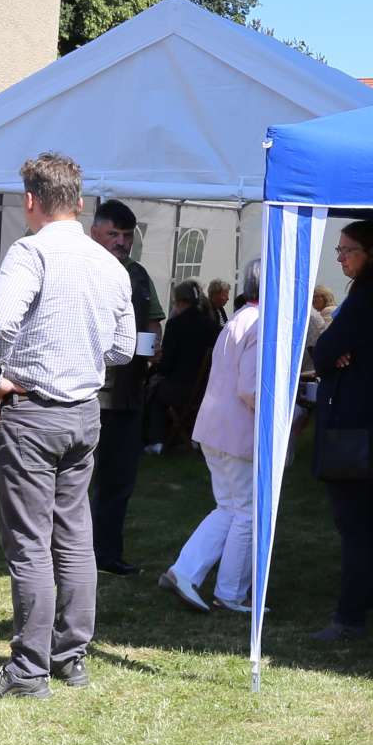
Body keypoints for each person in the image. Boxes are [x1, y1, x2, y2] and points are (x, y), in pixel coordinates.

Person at [0, 153, 134, 699]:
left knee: (30, 543)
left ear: (30, 201)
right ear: (80, 203)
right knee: (75, 536)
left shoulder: (31, 251)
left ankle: (28, 669)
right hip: (84, 412)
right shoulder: (110, 264)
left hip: (34, 411)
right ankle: (70, 655)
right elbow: (123, 348)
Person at [309, 220, 373, 642]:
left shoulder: (368, 296)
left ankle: (350, 616)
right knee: (365, 515)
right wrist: (337, 351)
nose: (340, 258)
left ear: (371, 252)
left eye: (347, 250)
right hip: (370, 416)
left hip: (351, 420)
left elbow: (325, 350)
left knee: (353, 521)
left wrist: (335, 352)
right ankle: (368, 603)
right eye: (339, 250)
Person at [159, 259, 265, 614]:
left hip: (214, 426)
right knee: (246, 512)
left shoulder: (238, 319)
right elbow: (251, 388)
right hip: (237, 430)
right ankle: (230, 592)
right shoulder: (259, 323)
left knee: (229, 507)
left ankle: (185, 571)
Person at [89, 199, 165, 576]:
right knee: (74, 481)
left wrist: (153, 347)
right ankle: (69, 555)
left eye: (127, 235)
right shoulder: (82, 269)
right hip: (84, 395)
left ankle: (107, 553)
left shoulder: (138, 274)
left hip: (128, 394)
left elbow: (153, 321)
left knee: (119, 480)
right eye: (113, 234)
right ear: (95, 233)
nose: (121, 242)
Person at [143, 279, 220, 451]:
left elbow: (166, 366)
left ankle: (156, 439)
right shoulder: (212, 325)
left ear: (179, 301)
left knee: (154, 391)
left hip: (179, 388)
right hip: (205, 390)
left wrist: (155, 363)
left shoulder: (175, 325)